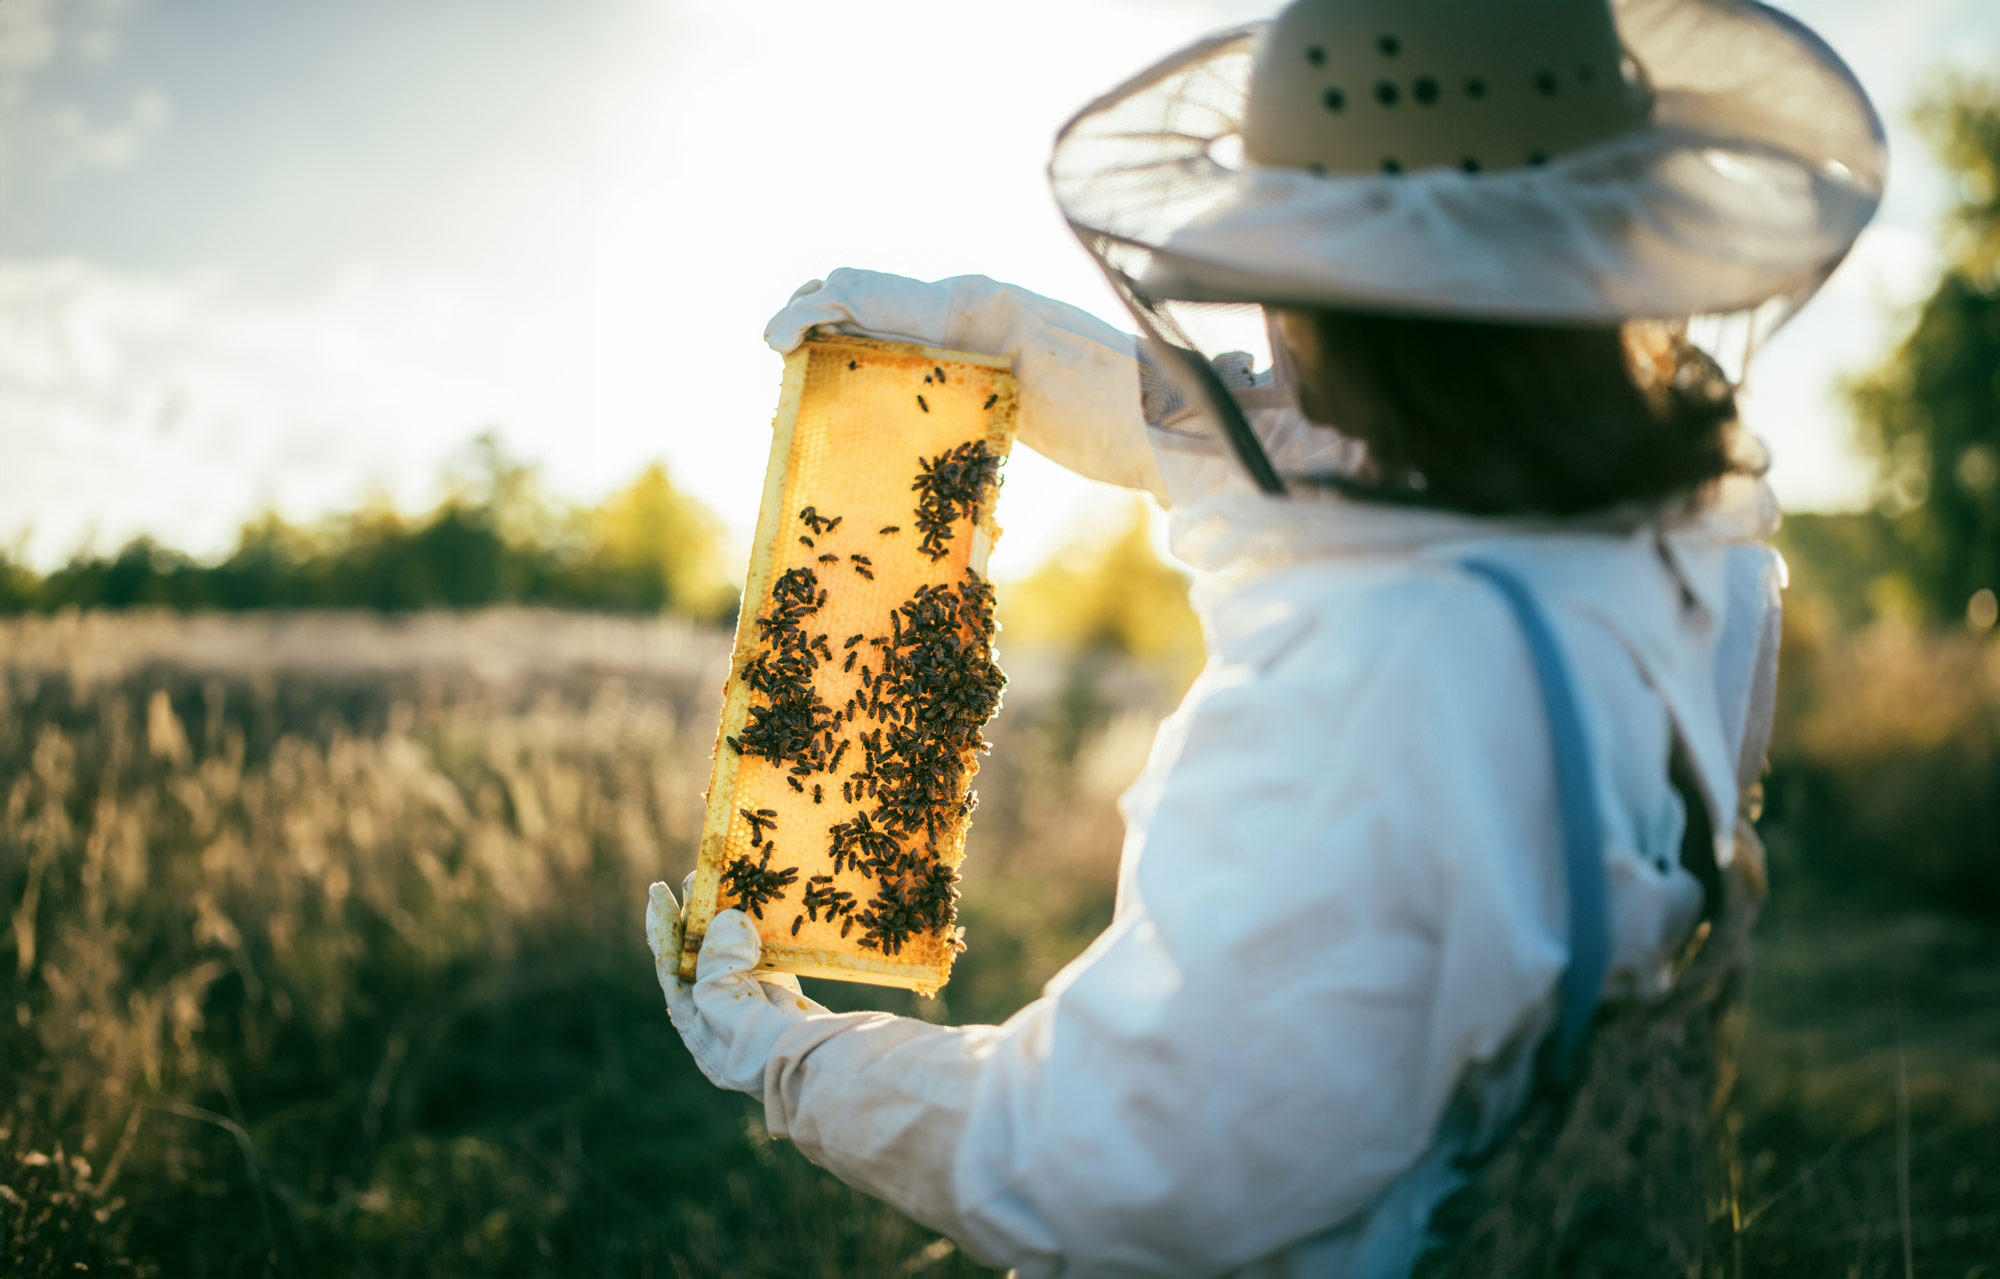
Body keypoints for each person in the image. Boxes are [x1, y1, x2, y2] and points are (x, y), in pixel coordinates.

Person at [645, 0, 1884, 1273]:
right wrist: (1009, 344)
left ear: (1346, 300)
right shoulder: (1697, 565)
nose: (1272, 327)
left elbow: (1107, 1162)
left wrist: (789, 1055)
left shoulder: (1378, 679)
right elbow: (1319, 468)